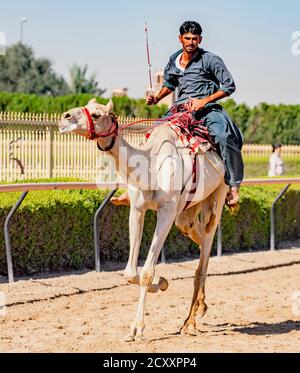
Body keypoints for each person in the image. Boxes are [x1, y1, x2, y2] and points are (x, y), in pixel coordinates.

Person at [111, 20, 244, 206]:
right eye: (187, 38)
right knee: (153, 135)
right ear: (180, 38)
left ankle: (234, 187)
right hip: (179, 110)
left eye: (195, 39)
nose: (191, 42)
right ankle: (136, 188)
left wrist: (203, 101)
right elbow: (170, 84)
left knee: (223, 136)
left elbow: (229, 86)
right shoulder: (173, 60)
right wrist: (157, 97)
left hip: (206, 109)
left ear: (200, 39)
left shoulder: (210, 60)